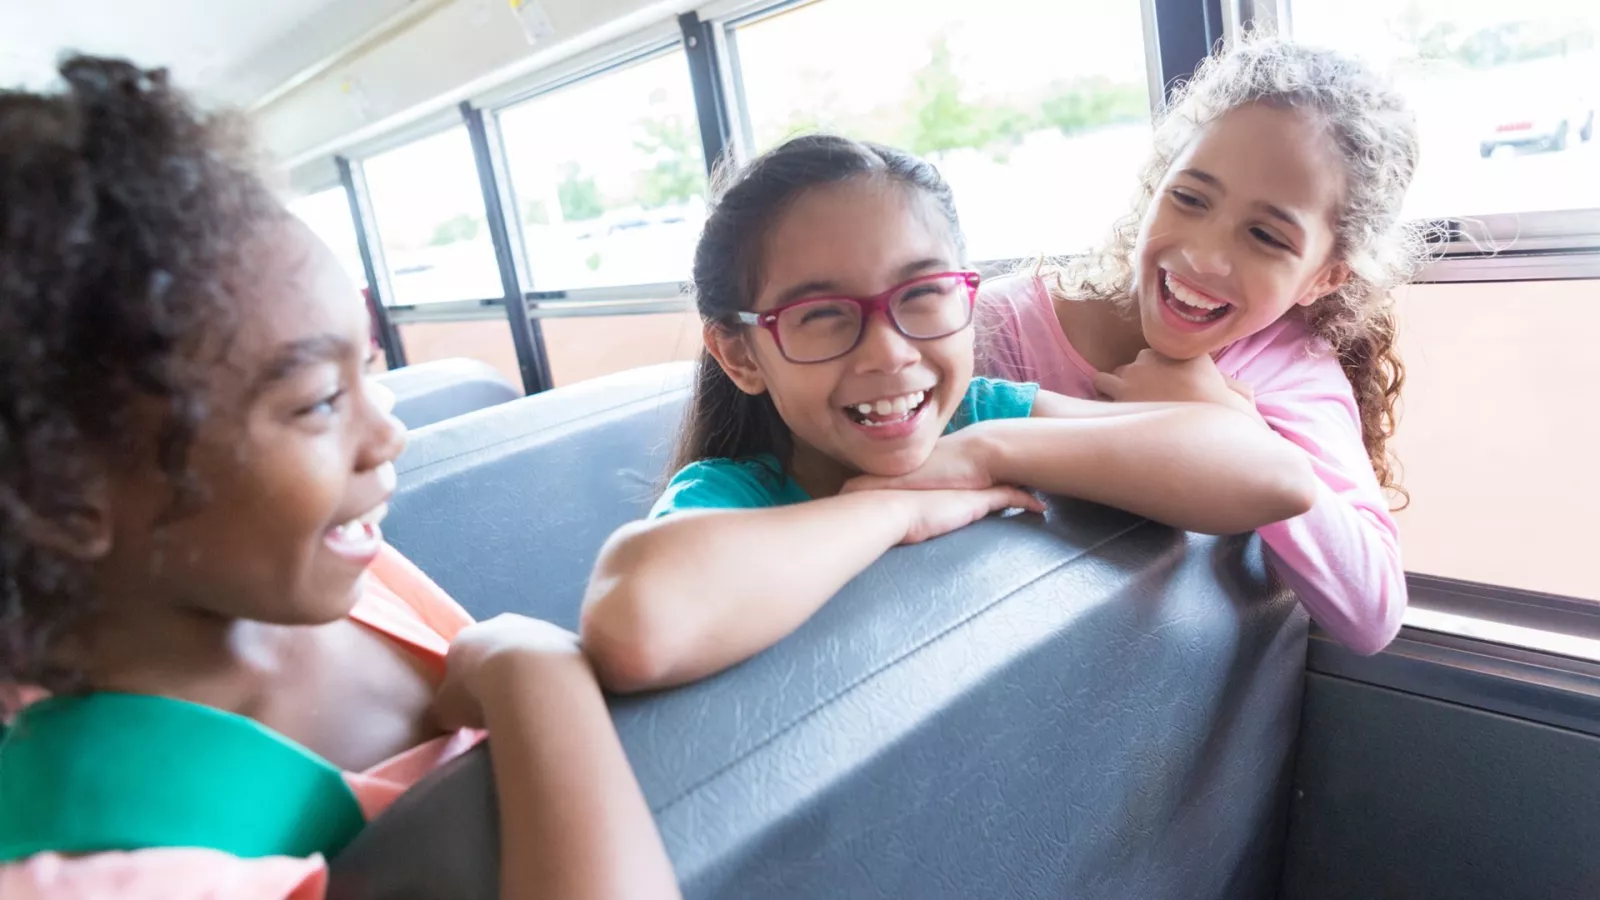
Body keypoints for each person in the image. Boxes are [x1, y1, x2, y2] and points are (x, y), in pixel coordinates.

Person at [0, 55, 678, 900]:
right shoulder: (99, 860)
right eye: (319, 401)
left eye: (370, 365)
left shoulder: (348, 572)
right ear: (66, 493)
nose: (387, 430)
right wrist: (535, 676)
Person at [579, 134, 1317, 694]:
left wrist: (985, 453)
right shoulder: (735, 499)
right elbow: (635, 622)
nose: (889, 352)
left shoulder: (984, 420)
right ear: (741, 355)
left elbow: (1275, 476)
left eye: (923, 293)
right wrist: (892, 514)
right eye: (823, 313)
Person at [977, 37, 1432, 655]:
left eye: (1267, 237)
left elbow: (1371, 613)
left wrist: (1229, 423)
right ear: (1154, 185)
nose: (1202, 255)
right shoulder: (1001, 327)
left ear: (1325, 277)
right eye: (1189, 199)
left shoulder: (1283, 368)